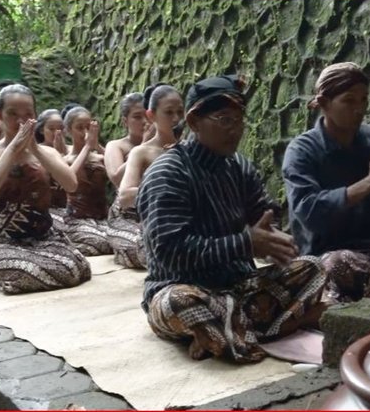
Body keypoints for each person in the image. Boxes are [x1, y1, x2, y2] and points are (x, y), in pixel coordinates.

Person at [136, 75, 327, 363]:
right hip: (183, 285)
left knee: (314, 267)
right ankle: (275, 325)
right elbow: (169, 252)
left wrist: (275, 239)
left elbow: (262, 214)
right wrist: (245, 243)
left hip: (240, 287)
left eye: (239, 121)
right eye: (225, 120)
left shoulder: (239, 166)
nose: (235, 130)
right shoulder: (168, 172)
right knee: (179, 303)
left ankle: (226, 333)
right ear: (193, 122)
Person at [282, 62, 370, 302]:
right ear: (325, 104)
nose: (359, 109)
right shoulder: (301, 150)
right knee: (341, 267)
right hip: (326, 255)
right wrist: (369, 184)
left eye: (363, 100)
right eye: (349, 101)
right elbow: (310, 211)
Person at [0, 84, 90, 294]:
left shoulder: (47, 153)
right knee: (35, 268)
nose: (20, 121)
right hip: (1, 239)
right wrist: (14, 148)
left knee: (78, 268)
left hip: (44, 236)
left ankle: (25, 274)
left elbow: (71, 184)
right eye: (12, 114)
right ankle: (20, 271)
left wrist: (35, 150)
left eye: (27, 114)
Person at [113, 84, 184, 268]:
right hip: (155, 229)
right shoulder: (141, 152)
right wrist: (171, 193)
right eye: (169, 112)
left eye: (180, 112)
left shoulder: (191, 149)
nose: (176, 118)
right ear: (151, 116)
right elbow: (125, 196)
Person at [105, 92, 155, 268]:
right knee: (145, 250)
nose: (144, 122)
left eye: (146, 116)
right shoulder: (116, 146)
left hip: (155, 212)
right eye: (136, 117)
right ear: (125, 121)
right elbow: (116, 178)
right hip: (126, 215)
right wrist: (142, 147)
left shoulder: (160, 144)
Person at [63, 106, 112, 256]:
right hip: (78, 221)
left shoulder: (101, 158)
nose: (85, 133)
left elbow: (118, 171)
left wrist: (96, 145)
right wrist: (88, 147)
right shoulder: (64, 160)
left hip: (103, 219)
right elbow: (68, 178)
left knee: (118, 240)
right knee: (102, 243)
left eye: (88, 128)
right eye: (79, 128)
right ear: (68, 131)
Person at [35, 109, 68, 210]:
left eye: (61, 128)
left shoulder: (73, 150)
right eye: (51, 129)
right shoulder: (36, 151)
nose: (57, 132)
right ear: (41, 130)